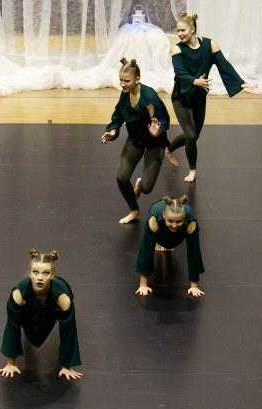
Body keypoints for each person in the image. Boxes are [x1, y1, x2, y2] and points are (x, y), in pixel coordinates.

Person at [165, 12, 258, 183]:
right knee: (190, 135)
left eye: (183, 30)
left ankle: (168, 149)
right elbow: (180, 72)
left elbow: (224, 65)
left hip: (199, 97)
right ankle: (192, 170)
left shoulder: (210, 45)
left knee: (193, 136)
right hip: (181, 96)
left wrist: (241, 83)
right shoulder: (177, 49)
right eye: (177, 31)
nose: (179, 34)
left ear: (193, 29)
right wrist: (194, 81)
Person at [101, 58, 171, 224]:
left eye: (127, 81)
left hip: (155, 143)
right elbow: (118, 114)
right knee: (122, 177)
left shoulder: (149, 96)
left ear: (137, 79)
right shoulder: (125, 94)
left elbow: (163, 120)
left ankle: (140, 183)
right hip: (136, 139)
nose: (122, 84)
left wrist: (157, 130)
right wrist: (112, 131)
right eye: (121, 80)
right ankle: (134, 210)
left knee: (146, 188)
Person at [0, 249, 82, 381]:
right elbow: (12, 326)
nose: (40, 278)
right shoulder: (19, 294)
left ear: (52, 275)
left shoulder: (62, 298)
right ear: (29, 274)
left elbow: (69, 331)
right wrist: (10, 363)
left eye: (46, 273)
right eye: (35, 272)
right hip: (28, 309)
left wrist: (66, 365)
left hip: (52, 308)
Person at [135, 195, 205, 297]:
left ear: (183, 217)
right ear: (164, 215)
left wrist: (194, 286)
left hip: (179, 234)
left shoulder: (190, 221)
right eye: (170, 221)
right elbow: (146, 251)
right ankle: (161, 241)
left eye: (178, 221)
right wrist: (143, 285)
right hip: (160, 229)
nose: (174, 225)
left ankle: (171, 233)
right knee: (159, 242)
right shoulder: (154, 220)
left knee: (171, 242)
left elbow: (194, 252)